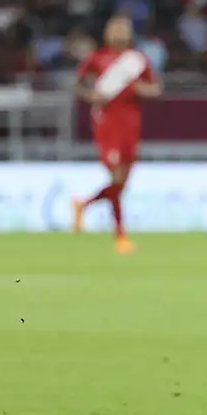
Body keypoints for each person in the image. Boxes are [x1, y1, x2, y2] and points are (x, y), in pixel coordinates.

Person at [72, 15, 162, 254]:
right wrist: (90, 95)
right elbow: (77, 84)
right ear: (107, 33)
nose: (120, 34)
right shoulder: (98, 57)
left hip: (131, 124)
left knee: (122, 181)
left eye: (124, 30)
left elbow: (156, 87)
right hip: (107, 123)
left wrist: (143, 90)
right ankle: (120, 234)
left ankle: (84, 204)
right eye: (115, 29)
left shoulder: (137, 60)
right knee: (117, 176)